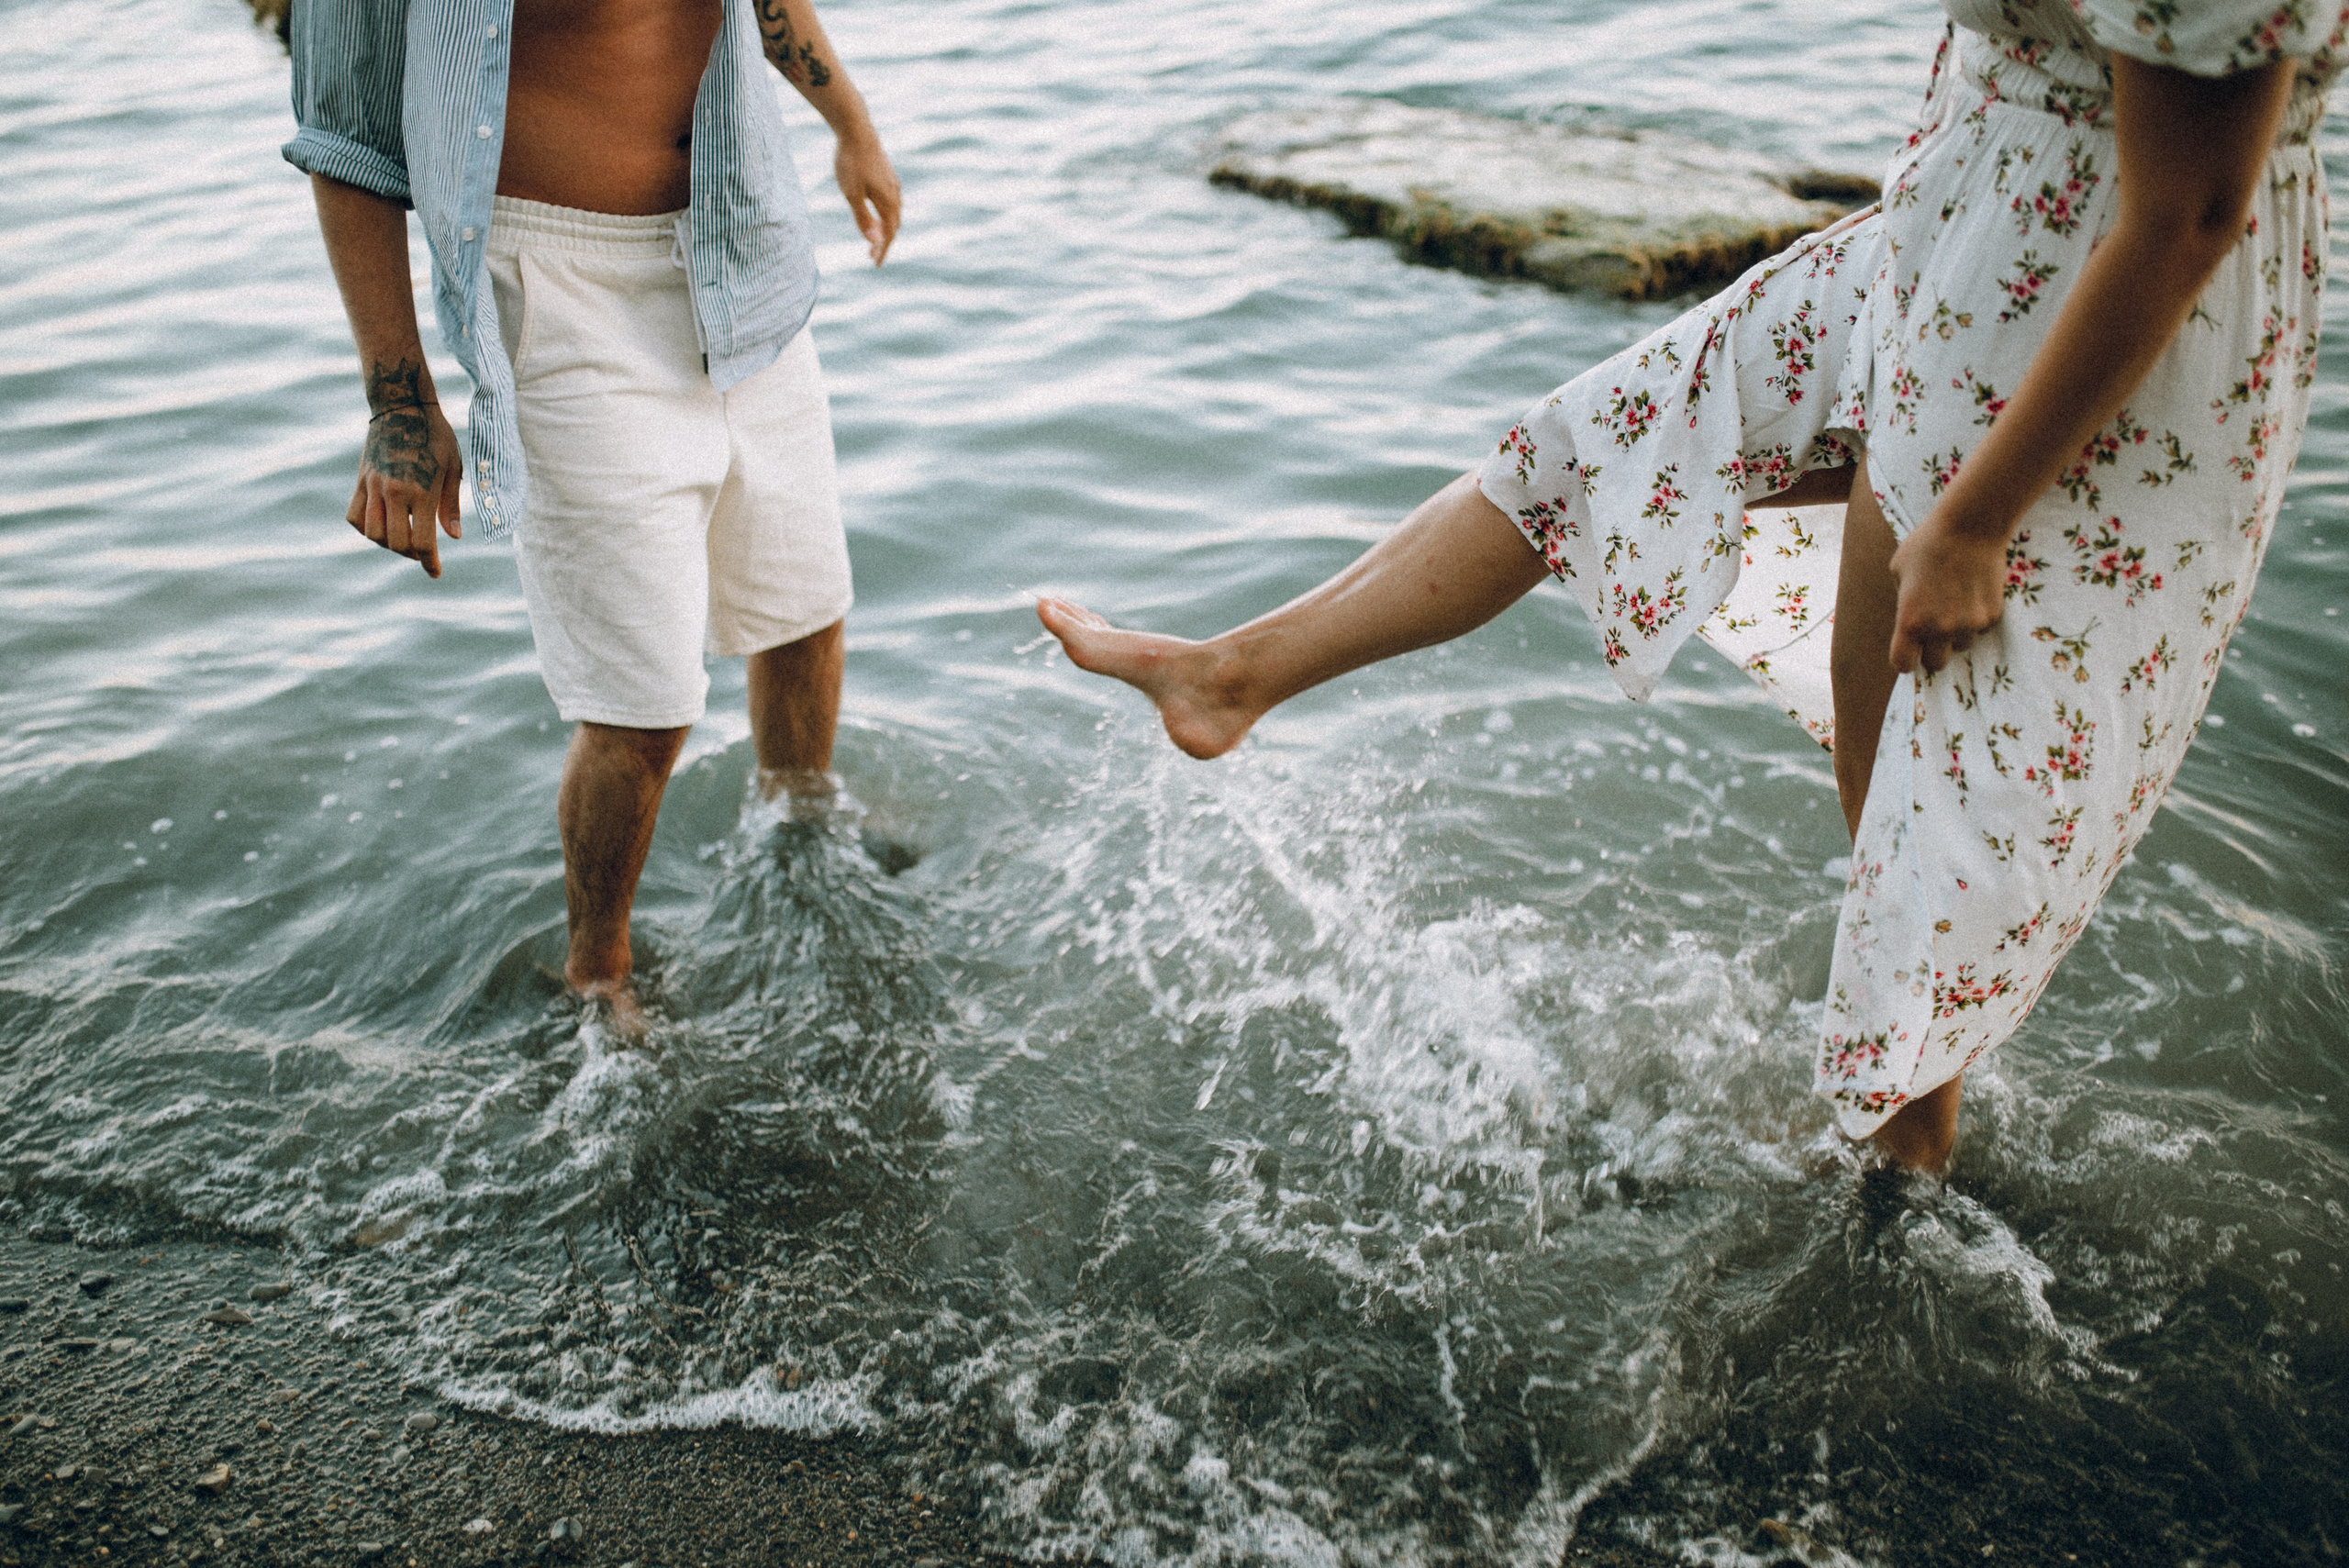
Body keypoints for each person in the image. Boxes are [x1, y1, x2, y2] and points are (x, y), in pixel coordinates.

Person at [1040, 0, 2345, 1171]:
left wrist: (1976, 520)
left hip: (2104, 297)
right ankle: (1232, 676)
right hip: (1959, 221)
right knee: (1604, 444)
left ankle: (1907, 1149)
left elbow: (2187, 211)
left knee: (1916, 749)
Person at [284, 0, 901, 1021]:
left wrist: (852, 127)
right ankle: (598, 971)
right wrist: (399, 401)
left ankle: (802, 831)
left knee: (803, 607)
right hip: (561, 280)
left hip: (739, 238)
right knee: (638, 707)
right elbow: (347, 140)